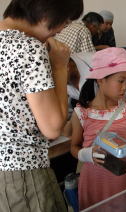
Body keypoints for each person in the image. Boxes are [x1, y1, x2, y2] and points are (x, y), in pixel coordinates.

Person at [0, 0, 83, 211]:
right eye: (64, 21)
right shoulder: (29, 48)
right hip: (23, 173)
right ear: (46, 14)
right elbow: (53, 128)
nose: (63, 28)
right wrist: (60, 66)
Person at [70, 47, 126, 209]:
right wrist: (87, 154)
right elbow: (74, 147)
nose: (125, 87)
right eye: (120, 81)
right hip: (91, 183)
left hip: (119, 182)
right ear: (100, 80)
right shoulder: (82, 113)